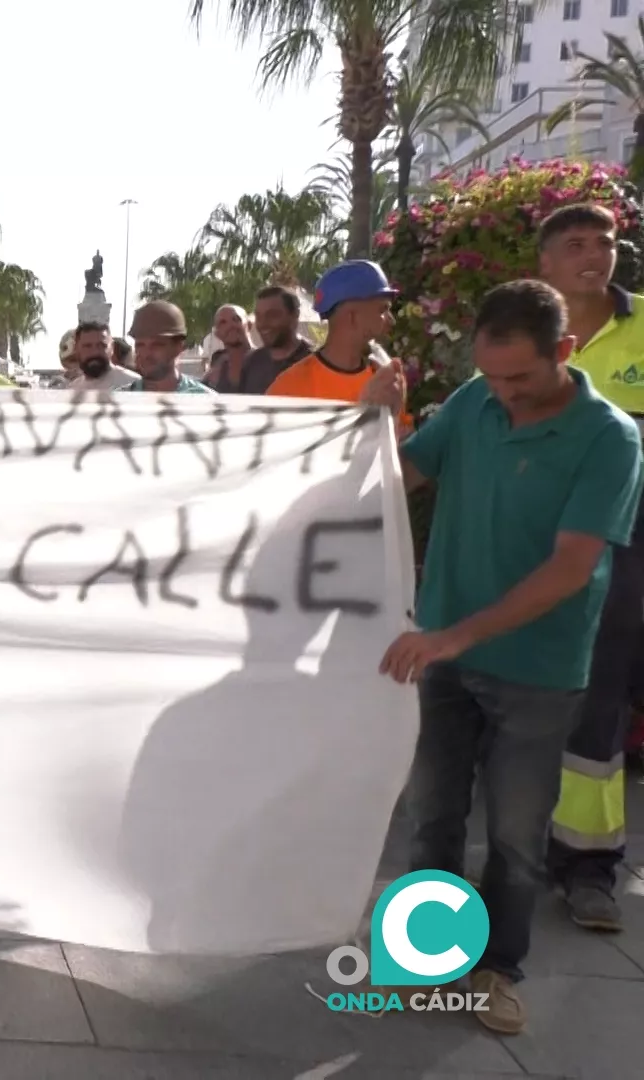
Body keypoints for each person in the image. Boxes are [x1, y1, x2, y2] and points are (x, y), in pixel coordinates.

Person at [370, 280, 643, 1037]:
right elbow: (397, 479)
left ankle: (496, 970)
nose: (504, 394)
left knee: (518, 839)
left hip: (538, 669)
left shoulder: (611, 438)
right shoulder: (472, 403)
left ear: (565, 350)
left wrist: (453, 636)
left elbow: (570, 568)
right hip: (441, 657)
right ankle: (421, 965)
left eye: (519, 378)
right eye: (490, 376)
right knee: (432, 818)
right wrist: (370, 417)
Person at [534, 202, 644, 931]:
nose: (592, 256)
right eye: (574, 245)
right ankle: (518, 849)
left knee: (602, 698)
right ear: (545, 261)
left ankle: (588, 865)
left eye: (602, 243)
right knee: (527, 695)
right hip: (537, 544)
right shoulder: (529, 334)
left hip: (625, 548)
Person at [265, 262, 410, 433]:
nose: (391, 320)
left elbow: (399, 448)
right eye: (383, 309)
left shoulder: (386, 377)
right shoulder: (288, 389)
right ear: (352, 316)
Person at [226, 285, 314, 394]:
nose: (263, 324)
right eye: (258, 316)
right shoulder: (251, 363)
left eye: (272, 315)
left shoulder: (314, 363)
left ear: (295, 315)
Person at [117, 302, 213, 394]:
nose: (146, 354)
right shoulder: (117, 401)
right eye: (140, 345)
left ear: (179, 347)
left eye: (156, 345)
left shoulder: (207, 402)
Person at [201, 304, 259, 393]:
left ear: (249, 325)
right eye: (223, 322)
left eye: (236, 319)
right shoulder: (217, 368)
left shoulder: (266, 360)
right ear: (217, 334)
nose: (231, 326)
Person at [69, 321, 140, 390]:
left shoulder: (132, 384)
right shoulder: (73, 389)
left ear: (112, 347)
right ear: (76, 348)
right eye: (87, 346)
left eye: (101, 346)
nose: (95, 352)